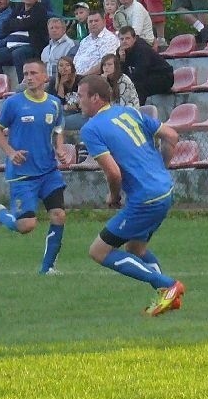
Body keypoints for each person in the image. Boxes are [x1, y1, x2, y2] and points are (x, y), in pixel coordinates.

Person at [76, 74, 185, 316]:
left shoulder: (91, 128)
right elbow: (172, 136)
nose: (78, 101)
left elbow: (113, 173)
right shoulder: (130, 112)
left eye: (81, 96)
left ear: (95, 98)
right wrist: (160, 168)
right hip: (164, 189)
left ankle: (167, 285)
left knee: (98, 251)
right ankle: (168, 299)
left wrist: (113, 197)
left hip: (144, 199)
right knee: (136, 248)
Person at [0, 58, 68, 274]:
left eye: (33, 73)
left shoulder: (54, 103)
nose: (29, 77)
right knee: (27, 226)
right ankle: (1, 215)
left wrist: (60, 148)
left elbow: (59, 128)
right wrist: (11, 153)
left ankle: (47, 268)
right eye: (26, 74)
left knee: (59, 214)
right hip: (22, 174)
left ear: (45, 77)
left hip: (49, 171)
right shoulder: (14, 103)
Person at [0, 0, 49, 82]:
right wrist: (22, 23)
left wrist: (16, 23)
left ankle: (23, 85)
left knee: (18, 53)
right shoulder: (19, 8)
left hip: (31, 46)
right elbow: (5, 25)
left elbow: (29, 23)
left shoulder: (40, 9)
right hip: (12, 46)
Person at [117, 26, 173, 104]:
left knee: (138, 86)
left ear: (134, 39)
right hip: (147, 75)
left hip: (163, 76)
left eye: (127, 38)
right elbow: (120, 74)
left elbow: (140, 73)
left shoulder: (142, 49)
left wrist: (128, 83)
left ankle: (137, 110)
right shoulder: (120, 51)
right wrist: (122, 60)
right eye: (122, 39)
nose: (124, 41)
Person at [72, 9, 120, 76]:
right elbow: (75, 61)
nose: (93, 23)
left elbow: (104, 64)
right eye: (90, 22)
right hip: (77, 77)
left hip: (95, 78)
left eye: (96, 21)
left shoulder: (110, 39)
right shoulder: (85, 41)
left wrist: (82, 77)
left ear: (104, 22)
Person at [47, 55, 84, 130]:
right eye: (61, 65)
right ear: (57, 68)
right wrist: (61, 85)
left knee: (61, 121)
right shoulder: (54, 81)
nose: (64, 68)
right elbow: (54, 103)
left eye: (67, 65)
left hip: (80, 112)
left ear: (72, 67)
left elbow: (86, 102)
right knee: (52, 118)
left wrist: (75, 106)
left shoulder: (81, 80)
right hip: (64, 111)